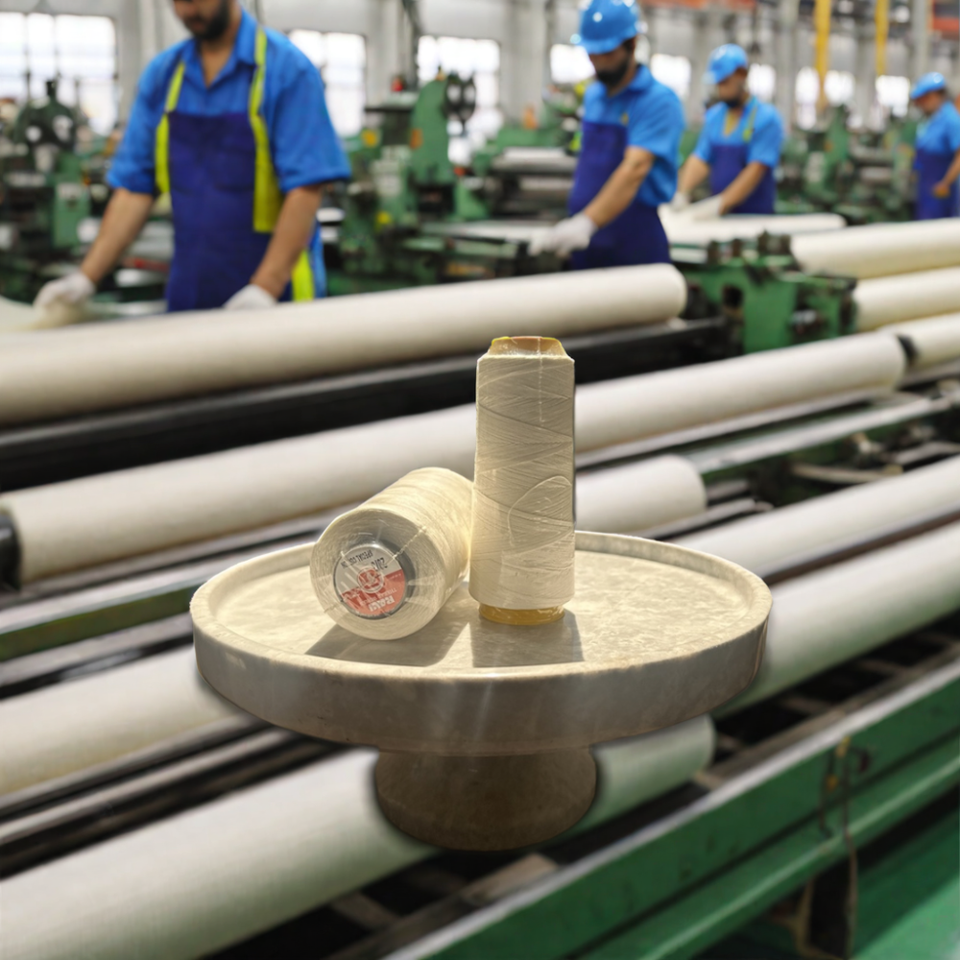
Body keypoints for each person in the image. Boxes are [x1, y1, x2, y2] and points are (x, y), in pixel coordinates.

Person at [35, 0, 350, 318]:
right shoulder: (164, 76)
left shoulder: (286, 71)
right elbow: (134, 190)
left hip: (278, 295)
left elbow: (305, 189)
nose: (187, 11)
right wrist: (86, 278)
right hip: (193, 289)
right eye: (178, 1)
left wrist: (266, 287)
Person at [530, 0, 684, 267]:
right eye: (592, 53)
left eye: (607, 53)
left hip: (633, 242)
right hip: (586, 241)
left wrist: (587, 222)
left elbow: (635, 168)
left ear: (632, 44)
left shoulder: (657, 101)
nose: (599, 63)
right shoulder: (594, 96)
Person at [674, 44, 783, 216]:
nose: (720, 89)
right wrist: (680, 193)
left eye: (725, 82)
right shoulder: (714, 117)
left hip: (755, 217)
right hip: (722, 217)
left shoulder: (766, 119)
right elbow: (700, 159)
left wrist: (720, 205)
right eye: (718, 83)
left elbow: (755, 170)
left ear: (742, 75)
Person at [910, 72, 960, 220]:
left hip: (940, 189)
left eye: (923, 100)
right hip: (926, 186)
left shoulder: (952, 120)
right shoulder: (930, 120)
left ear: (935, 96)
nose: (920, 105)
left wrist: (945, 183)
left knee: (937, 228)